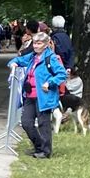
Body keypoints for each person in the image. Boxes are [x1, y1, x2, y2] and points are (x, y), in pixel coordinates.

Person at [13, 25, 69, 159]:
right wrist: (13, 63)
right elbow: (19, 60)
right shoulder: (32, 57)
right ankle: (38, 146)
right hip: (30, 96)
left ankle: (46, 151)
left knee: (44, 124)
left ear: (45, 44)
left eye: (39, 43)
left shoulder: (51, 58)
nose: (36, 46)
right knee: (26, 122)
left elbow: (62, 74)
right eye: (34, 43)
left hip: (44, 97)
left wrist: (50, 83)